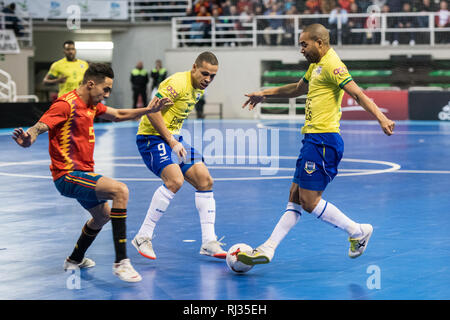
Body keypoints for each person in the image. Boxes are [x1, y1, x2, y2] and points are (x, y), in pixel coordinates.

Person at [237, 23, 395, 266]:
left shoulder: (333, 64)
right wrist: (264, 94)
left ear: (319, 42)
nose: (301, 49)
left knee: (309, 202)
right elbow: (297, 89)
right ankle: (267, 249)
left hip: (324, 140)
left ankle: (358, 231)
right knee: (294, 196)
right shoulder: (315, 66)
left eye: (304, 44)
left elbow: (358, 94)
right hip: (311, 138)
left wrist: (381, 117)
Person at [12, 63, 172, 282]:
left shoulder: (91, 105)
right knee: (120, 191)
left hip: (83, 174)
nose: (106, 95)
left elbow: (118, 114)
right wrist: (28, 138)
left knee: (102, 215)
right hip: (68, 175)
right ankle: (121, 262)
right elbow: (40, 126)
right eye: (104, 90)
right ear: (90, 83)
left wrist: (149, 110)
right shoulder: (66, 105)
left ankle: (74, 259)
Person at [133, 51, 227, 261]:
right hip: (152, 137)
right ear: (194, 67)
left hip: (173, 137)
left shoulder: (198, 88)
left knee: (205, 179)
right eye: (204, 73)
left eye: (212, 76)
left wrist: (174, 140)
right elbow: (152, 110)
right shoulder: (177, 83)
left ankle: (208, 242)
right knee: (175, 180)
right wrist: (172, 141)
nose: (208, 79)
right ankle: (143, 236)